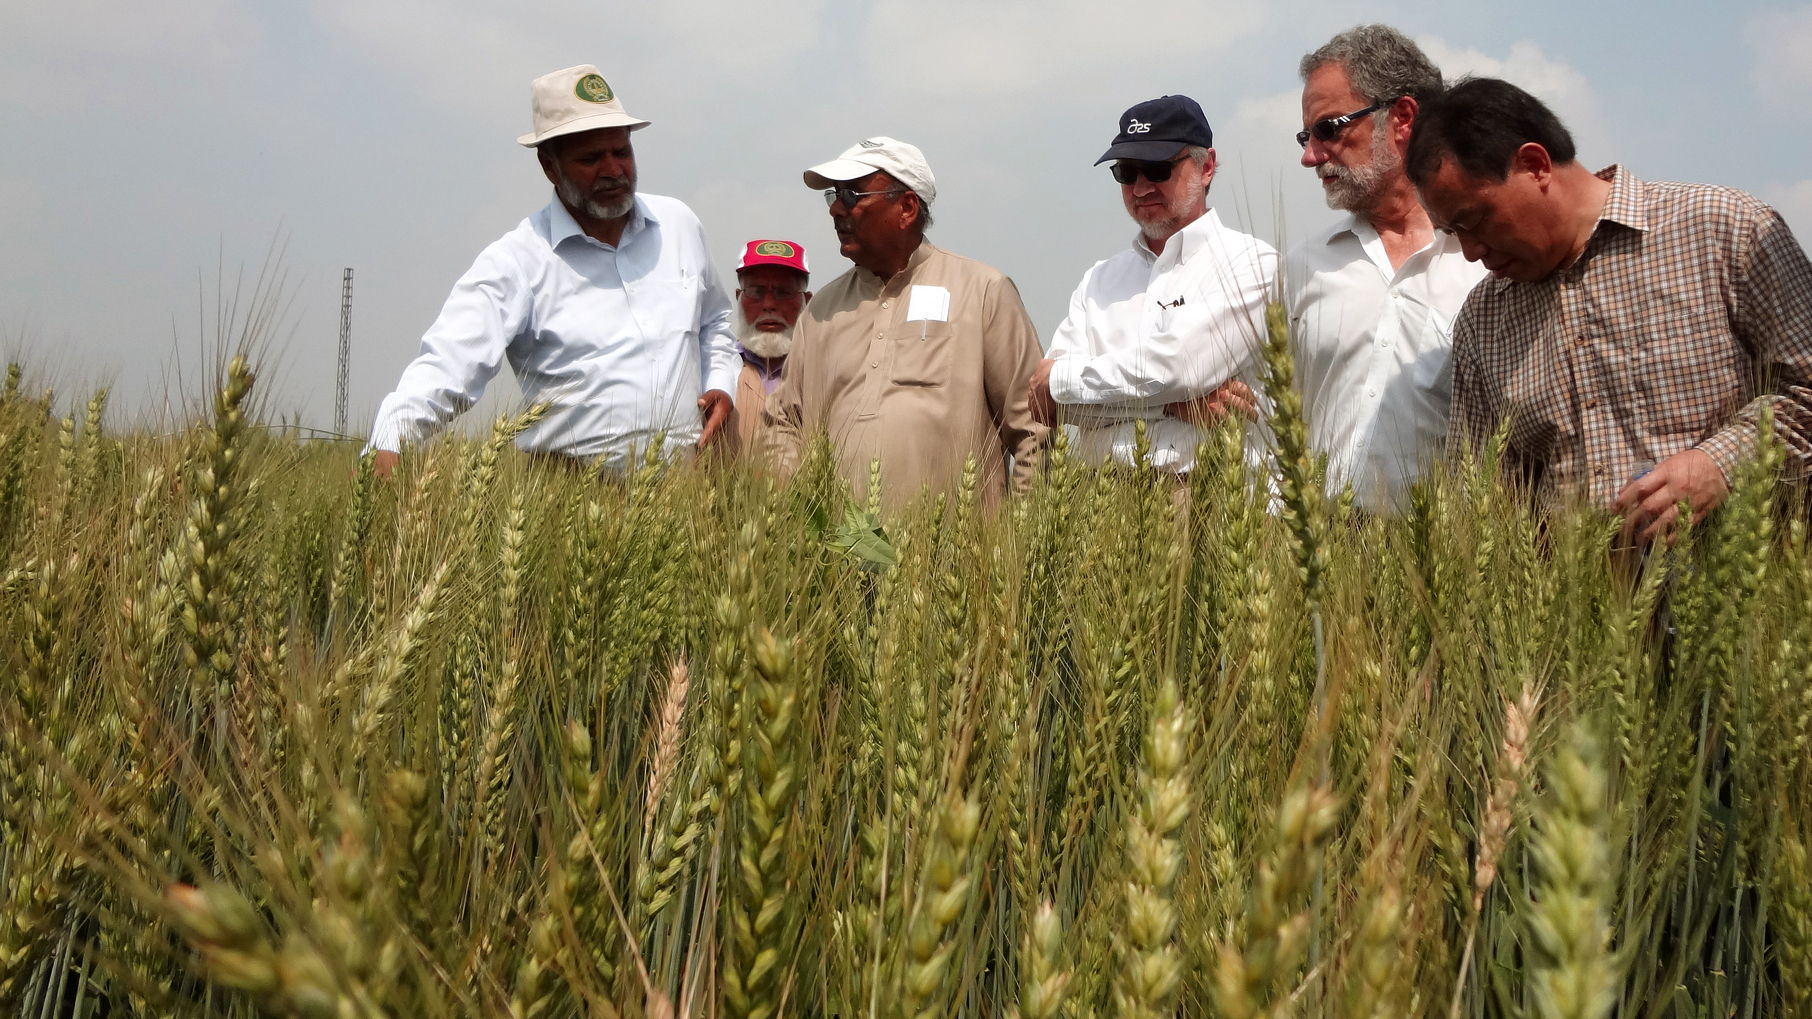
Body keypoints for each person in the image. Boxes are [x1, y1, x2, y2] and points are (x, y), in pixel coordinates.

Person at [1407, 77, 1812, 542]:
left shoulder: (1726, 230)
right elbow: (1481, 493)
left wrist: (1722, 463)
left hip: (1749, 600)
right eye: (1452, 234)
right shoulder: (1483, 320)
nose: (1471, 252)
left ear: (1534, 165)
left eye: (1474, 220)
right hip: (1587, 609)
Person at [367, 65, 739, 476]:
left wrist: (721, 381)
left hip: (686, 501)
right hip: (571, 511)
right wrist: (390, 441)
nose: (614, 169)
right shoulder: (517, 261)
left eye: (622, 151)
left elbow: (714, 321)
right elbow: (449, 363)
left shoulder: (679, 225)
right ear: (550, 166)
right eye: (591, 158)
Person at [761, 137, 1046, 509]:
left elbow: (1034, 430)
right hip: (838, 560)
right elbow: (783, 424)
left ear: (907, 207)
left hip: (959, 558)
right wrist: (795, 509)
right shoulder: (821, 311)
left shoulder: (983, 292)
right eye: (834, 196)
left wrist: (1020, 542)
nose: (835, 211)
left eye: (852, 195)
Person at [1287, 26, 1487, 512]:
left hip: (1449, 566)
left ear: (1402, 118)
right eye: (1306, 135)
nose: (1310, 156)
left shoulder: (1488, 261)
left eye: (1330, 128)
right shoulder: (1301, 268)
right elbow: (1274, 420)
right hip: (1320, 562)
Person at [1027, 95, 1275, 475]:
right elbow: (1048, 405)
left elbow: (1179, 368)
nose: (1140, 187)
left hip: (1210, 504)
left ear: (1206, 166)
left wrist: (1065, 380)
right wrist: (1172, 405)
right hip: (1100, 505)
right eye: (1126, 171)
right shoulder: (1099, 279)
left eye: (1157, 169)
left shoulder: (1252, 264)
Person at [725, 239, 812, 452]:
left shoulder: (821, 371)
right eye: (756, 291)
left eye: (784, 292)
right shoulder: (721, 368)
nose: (769, 305)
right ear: (739, 298)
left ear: (806, 301)